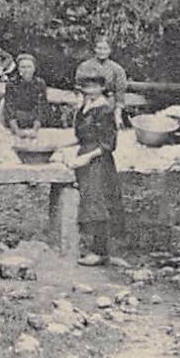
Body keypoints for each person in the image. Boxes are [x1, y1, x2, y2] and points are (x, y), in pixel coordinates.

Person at [70, 72, 123, 260]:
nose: (89, 91)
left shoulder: (105, 110)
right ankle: (91, 246)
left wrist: (87, 157)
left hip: (98, 159)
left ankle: (100, 252)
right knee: (87, 200)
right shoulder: (85, 107)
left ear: (102, 88)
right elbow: (80, 135)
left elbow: (109, 143)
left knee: (97, 201)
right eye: (86, 88)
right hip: (85, 154)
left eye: (94, 87)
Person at [74, 37, 129, 127]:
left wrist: (118, 114)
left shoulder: (117, 69)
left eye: (105, 49)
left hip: (108, 100)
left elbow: (120, 93)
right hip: (88, 98)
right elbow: (78, 86)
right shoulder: (84, 66)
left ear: (110, 50)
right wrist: (80, 99)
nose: (102, 51)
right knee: (85, 117)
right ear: (95, 49)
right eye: (99, 48)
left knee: (103, 117)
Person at [0, 53, 49, 136]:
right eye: (23, 67)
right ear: (18, 69)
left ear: (34, 68)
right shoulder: (11, 84)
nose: (26, 70)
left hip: (33, 119)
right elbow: (9, 108)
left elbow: (41, 107)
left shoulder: (40, 83)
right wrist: (16, 131)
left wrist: (35, 130)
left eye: (29, 67)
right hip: (17, 119)